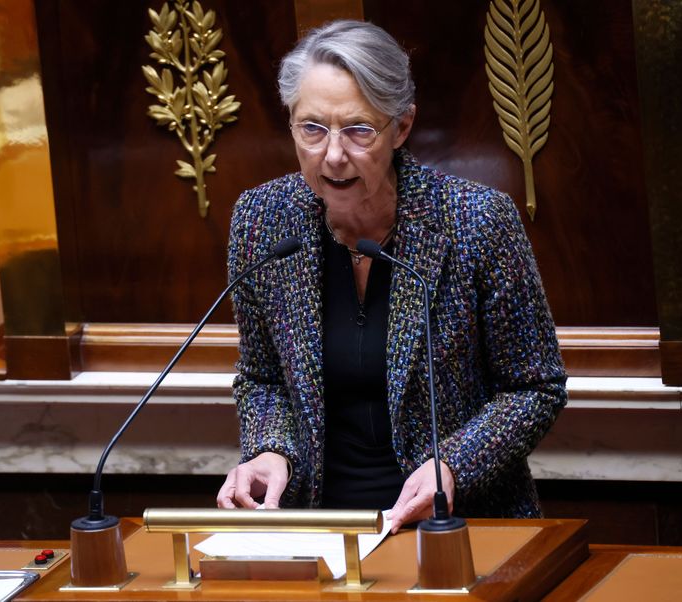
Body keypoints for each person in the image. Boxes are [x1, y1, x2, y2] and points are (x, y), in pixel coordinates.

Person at [216, 20, 567, 533]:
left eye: (358, 129)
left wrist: (454, 464)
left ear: (401, 127)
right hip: (322, 530)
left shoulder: (475, 221)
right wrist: (271, 450)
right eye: (312, 128)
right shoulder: (263, 220)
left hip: (458, 526)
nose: (332, 154)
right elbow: (263, 378)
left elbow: (535, 386)